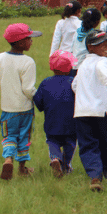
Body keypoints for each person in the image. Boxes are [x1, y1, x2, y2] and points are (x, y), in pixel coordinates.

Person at [0, 23, 42, 180]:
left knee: (9, 136)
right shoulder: (28, 61)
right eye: (29, 39)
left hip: (8, 110)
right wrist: (40, 100)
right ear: (21, 42)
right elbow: (28, 89)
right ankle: (22, 168)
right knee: (24, 137)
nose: (31, 41)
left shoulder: (0, 58)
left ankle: (8, 159)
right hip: (25, 109)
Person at [72, 30, 107, 192]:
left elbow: (74, 85)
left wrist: (86, 94)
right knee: (105, 142)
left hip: (82, 111)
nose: (106, 46)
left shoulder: (82, 64)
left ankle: (95, 175)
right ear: (90, 47)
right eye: (102, 44)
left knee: (88, 144)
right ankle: (104, 171)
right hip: (102, 111)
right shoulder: (103, 62)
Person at [33, 50, 78, 178]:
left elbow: (39, 102)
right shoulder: (73, 82)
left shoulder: (45, 82)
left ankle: (55, 158)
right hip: (71, 122)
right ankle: (66, 166)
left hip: (52, 121)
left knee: (53, 142)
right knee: (70, 143)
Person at [71, 8, 101, 73]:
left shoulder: (78, 31)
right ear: (97, 22)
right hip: (86, 67)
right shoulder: (94, 35)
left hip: (74, 65)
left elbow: (71, 48)